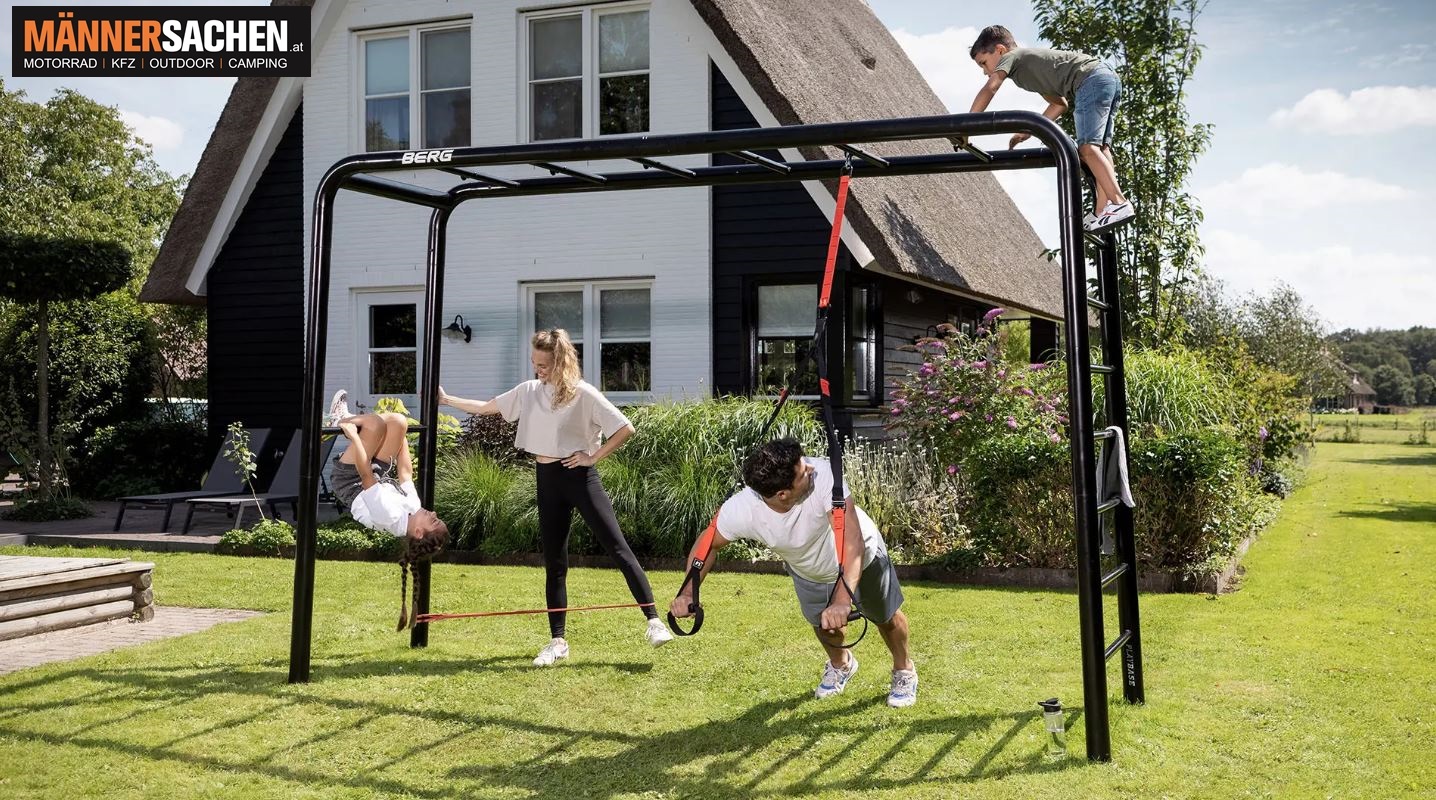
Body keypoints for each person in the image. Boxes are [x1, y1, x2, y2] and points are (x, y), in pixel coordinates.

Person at [439, 329, 672, 666]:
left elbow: (625, 428)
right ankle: (558, 641)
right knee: (555, 563)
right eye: (534, 363)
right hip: (547, 479)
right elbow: (488, 407)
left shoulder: (584, 394)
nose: (537, 370)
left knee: (617, 547)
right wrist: (447, 400)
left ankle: (653, 622)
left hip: (579, 478)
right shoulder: (529, 391)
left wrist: (593, 457)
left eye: (544, 365)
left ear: (561, 362)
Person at [669, 439, 918, 708]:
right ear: (782, 494)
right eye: (802, 472)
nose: (810, 468)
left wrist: (842, 599)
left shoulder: (824, 476)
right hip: (809, 571)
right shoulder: (742, 509)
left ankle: (904, 669)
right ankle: (841, 664)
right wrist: (688, 592)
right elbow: (708, 544)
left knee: (886, 617)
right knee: (823, 626)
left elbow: (852, 541)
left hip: (863, 557)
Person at [959, 24, 1135, 232]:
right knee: (1101, 148)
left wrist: (966, 127)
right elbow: (1059, 105)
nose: (984, 71)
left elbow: (991, 88)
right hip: (1105, 78)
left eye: (983, 63)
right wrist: (1027, 132)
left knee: (1087, 148)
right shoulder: (1030, 72)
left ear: (1000, 50)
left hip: (1090, 80)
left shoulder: (1013, 56)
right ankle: (1103, 209)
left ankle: (1118, 202)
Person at [324, 390, 450, 629]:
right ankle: (358, 422)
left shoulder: (390, 517)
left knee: (374, 425)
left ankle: (339, 420)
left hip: (352, 480)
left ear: (419, 533)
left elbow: (365, 476)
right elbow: (405, 473)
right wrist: (401, 435)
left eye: (434, 521)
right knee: (397, 421)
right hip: (377, 474)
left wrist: (354, 436)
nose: (433, 514)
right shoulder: (414, 509)